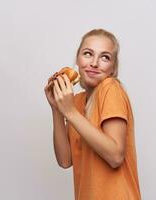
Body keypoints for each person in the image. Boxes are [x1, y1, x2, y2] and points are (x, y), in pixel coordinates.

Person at [44, 28, 141, 200]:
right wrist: (57, 110)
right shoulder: (76, 101)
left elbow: (116, 156)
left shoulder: (110, 88)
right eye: (88, 54)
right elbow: (65, 160)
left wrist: (70, 112)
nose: (94, 63)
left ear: (113, 68)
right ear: (78, 59)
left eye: (105, 57)